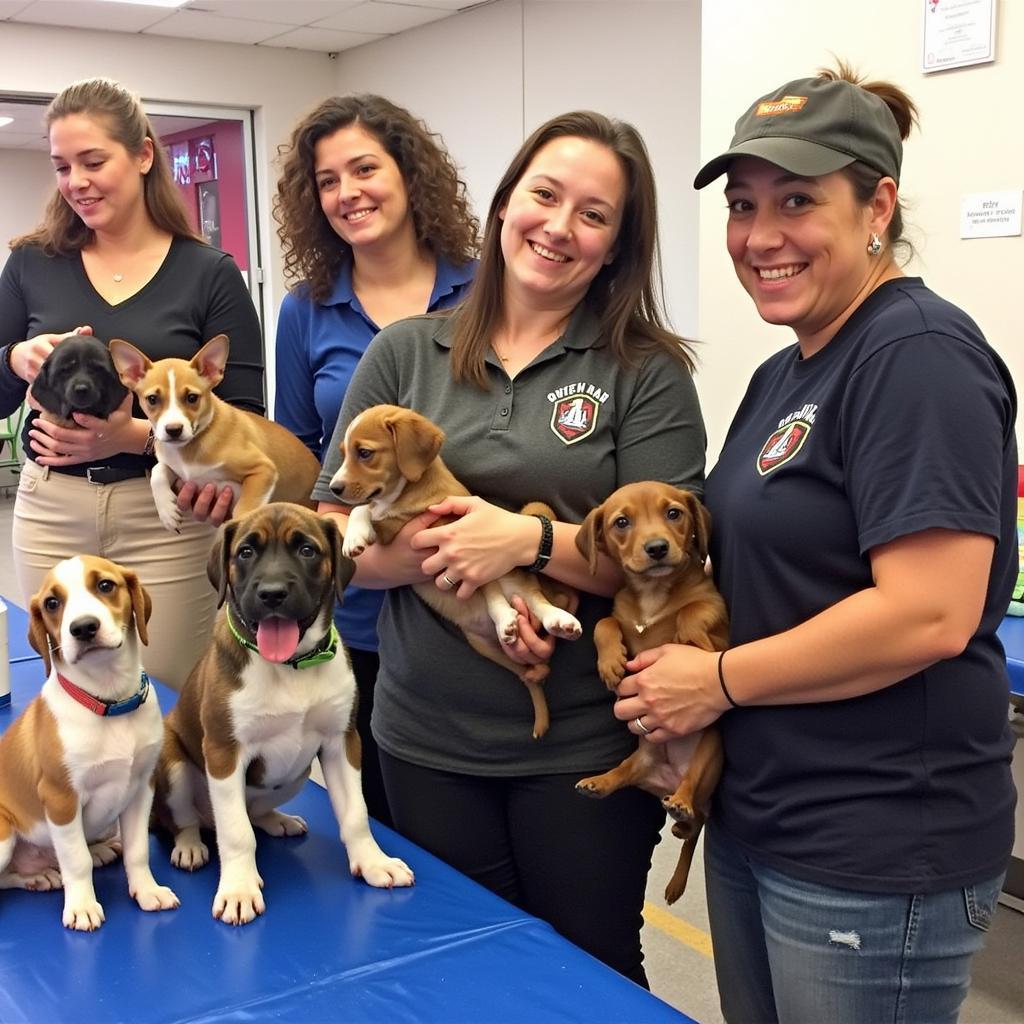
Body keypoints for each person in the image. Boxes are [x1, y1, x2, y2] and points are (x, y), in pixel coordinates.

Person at [613, 64, 1018, 1022]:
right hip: (766, 812)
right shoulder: (784, 373)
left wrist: (711, 683)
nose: (760, 237)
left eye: (798, 201)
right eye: (744, 205)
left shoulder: (916, 353)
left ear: (877, 203)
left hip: (872, 840)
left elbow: (927, 612)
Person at [314, 110, 706, 986]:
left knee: (589, 967)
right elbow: (335, 542)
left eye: (595, 214)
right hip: (424, 734)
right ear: (503, 206)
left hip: (578, 740)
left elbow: (667, 559)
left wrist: (523, 538)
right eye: (545, 194)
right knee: (451, 970)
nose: (560, 226)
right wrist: (447, 555)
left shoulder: (645, 372)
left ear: (617, 246)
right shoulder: (405, 352)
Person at [0, 77, 263, 690]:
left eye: (94, 161)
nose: (76, 182)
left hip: (164, 518)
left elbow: (245, 420)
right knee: (68, 700)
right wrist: (16, 359)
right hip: (51, 511)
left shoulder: (208, 273)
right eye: (62, 166)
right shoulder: (33, 264)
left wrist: (132, 437)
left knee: (167, 695)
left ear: (144, 155)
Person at [273, 94, 478, 827]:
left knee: (470, 840)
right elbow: (298, 455)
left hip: (469, 604)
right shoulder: (306, 309)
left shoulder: (485, 289)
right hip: (359, 611)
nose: (347, 193)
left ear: (410, 173)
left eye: (365, 168)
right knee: (382, 824)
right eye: (327, 181)